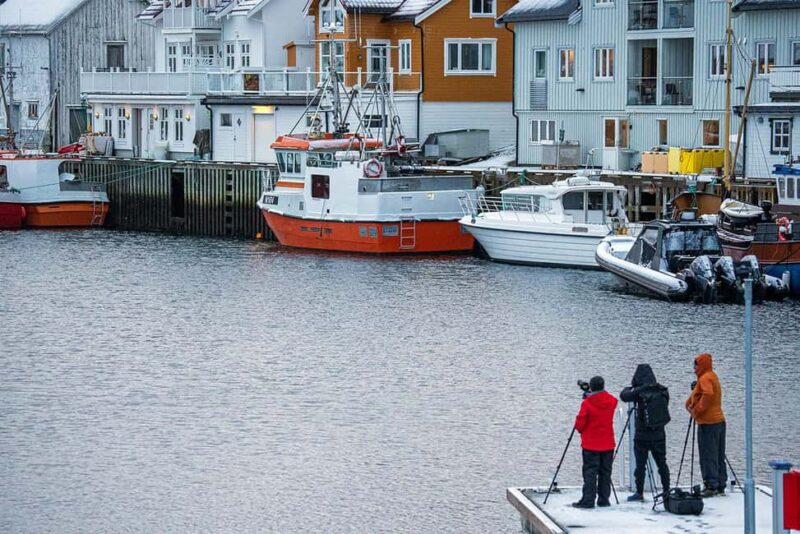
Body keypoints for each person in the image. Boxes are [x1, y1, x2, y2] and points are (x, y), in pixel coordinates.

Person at [620, 364, 671, 502]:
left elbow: (624, 396)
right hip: (659, 434)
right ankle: (666, 490)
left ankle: (639, 493)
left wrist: (631, 388)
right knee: (662, 464)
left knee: (640, 466)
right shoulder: (663, 390)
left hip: (642, 435)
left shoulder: (640, 392)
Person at [573, 376, 618, 509]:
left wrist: (588, 397)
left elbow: (579, 425)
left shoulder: (587, 403)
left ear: (591, 387)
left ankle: (588, 500)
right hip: (608, 443)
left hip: (591, 444)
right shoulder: (612, 401)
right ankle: (604, 499)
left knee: (590, 472)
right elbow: (609, 400)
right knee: (605, 472)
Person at [685, 353, 727, 497]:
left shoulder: (705, 378)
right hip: (719, 422)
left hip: (708, 423)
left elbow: (708, 394)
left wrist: (696, 410)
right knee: (719, 454)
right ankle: (721, 484)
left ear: (701, 365)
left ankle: (711, 485)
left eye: (696, 364)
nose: (694, 368)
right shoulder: (712, 376)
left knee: (708, 454)